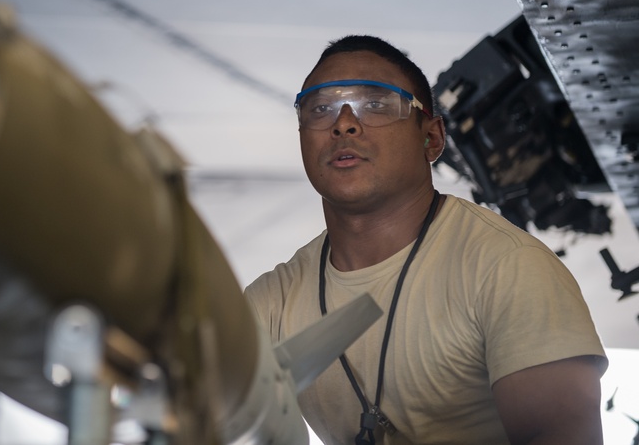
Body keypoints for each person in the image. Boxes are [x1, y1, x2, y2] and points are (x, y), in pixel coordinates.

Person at [244, 35, 607, 444]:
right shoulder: (271, 304)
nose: (342, 122)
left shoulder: (508, 268)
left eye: (377, 104)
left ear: (431, 138)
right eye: (320, 108)